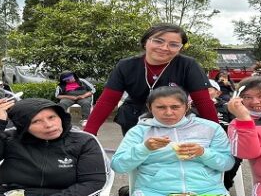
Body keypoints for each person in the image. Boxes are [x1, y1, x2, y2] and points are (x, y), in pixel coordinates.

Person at [83, 23, 218, 137]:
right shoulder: (126, 66)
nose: (164, 48)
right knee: (137, 159)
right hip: (134, 119)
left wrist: (217, 134)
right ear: (145, 42)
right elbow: (107, 101)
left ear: (180, 48)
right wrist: (90, 133)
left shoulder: (188, 65)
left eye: (173, 44)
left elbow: (203, 102)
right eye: (158, 41)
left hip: (173, 119)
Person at [205, 79, 242, 190]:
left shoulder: (227, 107)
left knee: (235, 158)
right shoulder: (190, 107)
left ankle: (225, 186)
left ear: (218, 93)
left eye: (208, 89)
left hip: (226, 142)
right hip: (203, 143)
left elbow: (236, 125)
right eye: (200, 90)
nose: (204, 92)